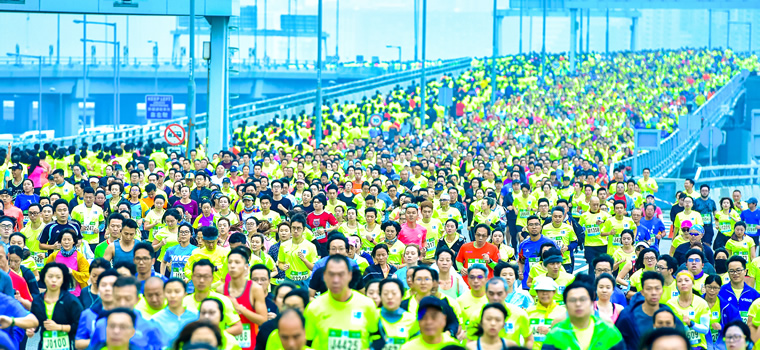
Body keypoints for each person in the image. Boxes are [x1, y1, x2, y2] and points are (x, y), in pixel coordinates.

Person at [303, 255, 380, 350]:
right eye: (331, 274)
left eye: (341, 274)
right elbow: (307, 342)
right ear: (324, 277)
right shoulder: (314, 307)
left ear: (350, 276)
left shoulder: (367, 305)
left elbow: (377, 339)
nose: (336, 280)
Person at [541, 277, 625, 350]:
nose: (578, 304)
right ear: (566, 305)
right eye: (573, 300)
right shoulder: (555, 334)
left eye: (583, 299)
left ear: (592, 302)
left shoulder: (609, 331)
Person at [87, 276, 166, 350]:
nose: (122, 304)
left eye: (128, 299)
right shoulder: (101, 324)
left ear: (137, 299)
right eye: (118, 298)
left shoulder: (150, 327)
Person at [616, 271, 686, 350]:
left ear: (662, 291)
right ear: (642, 292)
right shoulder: (627, 317)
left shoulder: (670, 316)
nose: (653, 293)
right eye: (649, 289)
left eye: (657, 288)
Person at [219, 247, 268, 350]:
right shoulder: (220, 290)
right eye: (230, 262)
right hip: (226, 345)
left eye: (237, 262)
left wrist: (240, 308)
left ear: (246, 266)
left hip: (250, 345)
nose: (232, 266)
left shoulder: (255, 289)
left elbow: (263, 320)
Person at [30, 262, 84, 350]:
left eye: (58, 277)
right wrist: (31, 329)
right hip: (44, 346)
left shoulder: (71, 301)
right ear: (44, 277)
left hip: (67, 346)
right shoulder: (37, 300)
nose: (54, 280)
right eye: (50, 276)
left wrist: (59, 327)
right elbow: (35, 322)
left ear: (63, 279)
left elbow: (80, 325)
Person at [183, 259, 243, 336]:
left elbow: (238, 328)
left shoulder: (223, 300)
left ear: (212, 278)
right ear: (192, 277)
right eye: (198, 276)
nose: (201, 280)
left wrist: (215, 335)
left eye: (206, 276)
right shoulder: (183, 302)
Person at [667, 270, 710, 350]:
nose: (683, 283)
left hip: (698, 347)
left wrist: (691, 324)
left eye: (687, 280)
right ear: (676, 285)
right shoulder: (670, 304)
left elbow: (705, 329)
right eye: (679, 281)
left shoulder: (702, 303)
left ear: (693, 283)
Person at [371, 278, 418, 349]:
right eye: (385, 293)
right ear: (380, 296)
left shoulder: (411, 320)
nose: (390, 297)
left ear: (402, 296)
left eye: (394, 293)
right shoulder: (372, 316)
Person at [44, 228, 90, 297]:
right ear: (60, 241)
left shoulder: (80, 257)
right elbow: (46, 272)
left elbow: (86, 275)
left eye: (69, 240)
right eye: (64, 239)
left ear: (74, 241)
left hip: (76, 295)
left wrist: (72, 272)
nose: (66, 242)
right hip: (57, 295)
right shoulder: (54, 256)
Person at [151, 278, 198, 343]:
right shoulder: (156, 320)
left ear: (185, 293)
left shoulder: (196, 316)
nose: (173, 296)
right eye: (169, 292)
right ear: (164, 294)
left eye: (177, 291)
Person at [526, 276, 566, 350]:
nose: (544, 293)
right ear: (537, 292)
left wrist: (550, 333)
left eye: (548, 290)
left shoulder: (563, 313)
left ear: (554, 292)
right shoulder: (528, 312)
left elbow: (569, 337)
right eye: (541, 290)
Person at [518, 215, 556, 289]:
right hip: (528, 282)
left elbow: (557, 260)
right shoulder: (523, 244)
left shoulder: (550, 243)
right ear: (527, 228)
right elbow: (521, 260)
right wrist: (520, 272)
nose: (534, 227)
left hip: (545, 282)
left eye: (536, 224)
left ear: (541, 227)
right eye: (531, 225)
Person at [718, 256, 759, 323]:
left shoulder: (754, 294)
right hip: (726, 331)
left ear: (745, 271)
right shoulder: (720, 292)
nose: (735, 273)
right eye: (731, 271)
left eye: (738, 270)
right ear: (728, 272)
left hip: (747, 332)